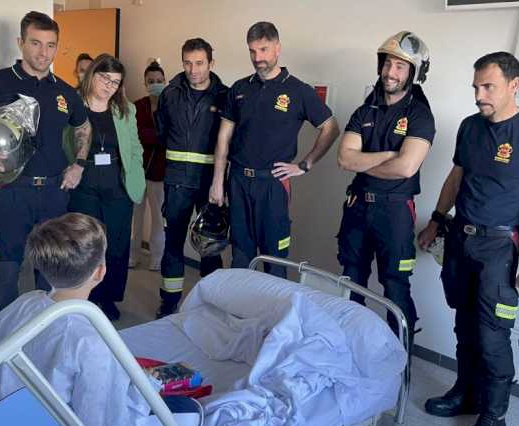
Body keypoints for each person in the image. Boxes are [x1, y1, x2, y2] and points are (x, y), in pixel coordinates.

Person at [417, 52, 519, 426]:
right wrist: (436, 219)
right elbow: (456, 176)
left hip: (499, 245)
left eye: (488, 87)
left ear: (514, 85)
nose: (479, 95)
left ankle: (494, 416)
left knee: (492, 334)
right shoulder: (470, 127)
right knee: (464, 325)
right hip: (461, 240)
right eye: (476, 87)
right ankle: (466, 394)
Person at [0, 213, 196, 426]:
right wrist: (143, 390)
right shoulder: (90, 341)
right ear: (100, 272)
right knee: (190, 412)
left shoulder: (28, 300)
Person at [0, 11, 91, 309]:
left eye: (51, 45)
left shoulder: (64, 91)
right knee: (5, 273)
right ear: (20, 43)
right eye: (36, 43)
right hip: (11, 193)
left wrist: (79, 164)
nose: (44, 52)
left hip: (53, 194)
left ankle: (44, 342)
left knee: (52, 276)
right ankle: (1, 349)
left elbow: (84, 127)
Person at [208, 21, 340, 278]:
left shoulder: (298, 91)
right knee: (241, 254)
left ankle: (272, 317)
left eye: (264, 50)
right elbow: (223, 139)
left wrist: (304, 165)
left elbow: (331, 128)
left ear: (277, 48)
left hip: (273, 185)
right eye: (253, 51)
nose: (258, 58)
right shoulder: (239, 89)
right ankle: (240, 315)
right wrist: (217, 182)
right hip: (238, 181)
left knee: (274, 258)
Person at [336, 31, 435, 348]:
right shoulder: (364, 112)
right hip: (357, 208)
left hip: (394, 211)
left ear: (414, 73)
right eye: (388, 64)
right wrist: (387, 156)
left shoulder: (420, 115)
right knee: (352, 279)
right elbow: (343, 158)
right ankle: (354, 347)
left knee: (395, 285)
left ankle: (399, 357)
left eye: (400, 67)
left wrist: (362, 161)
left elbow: (406, 168)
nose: (391, 73)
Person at [64, 54, 146, 321]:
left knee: (116, 245)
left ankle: (108, 298)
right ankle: (82, 298)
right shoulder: (72, 104)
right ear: (92, 75)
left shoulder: (125, 109)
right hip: (83, 185)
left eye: (115, 82)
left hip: (117, 186)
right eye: (104, 78)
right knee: (84, 244)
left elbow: (135, 148)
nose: (109, 86)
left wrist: (137, 176)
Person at [153, 38, 228, 318]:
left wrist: (221, 183)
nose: (193, 69)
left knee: (210, 245)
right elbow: (162, 134)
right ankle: (170, 301)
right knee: (173, 243)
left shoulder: (225, 96)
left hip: (210, 184)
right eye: (187, 63)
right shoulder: (170, 94)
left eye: (199, 63)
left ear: (211, 63)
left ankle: (212, 302)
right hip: (176, 183)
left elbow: (231, 141)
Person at [134, 61, 168, 271]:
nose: (155, 84)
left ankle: (157, 259)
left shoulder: (170, 107)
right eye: (151, 81)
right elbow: (133, 135)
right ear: (144, 83)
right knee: (134, 219)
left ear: (165, 81)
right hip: (137, 171)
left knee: (158, 219)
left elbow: (170, 138)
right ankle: (131, 256)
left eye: (158, 81)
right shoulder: (137, 106)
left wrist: (149, 136)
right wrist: (155, 136)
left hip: (160, 172)